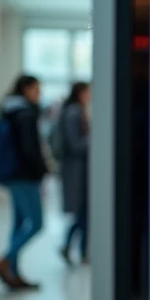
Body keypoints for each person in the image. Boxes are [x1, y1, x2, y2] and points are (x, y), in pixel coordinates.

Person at [0, 75, 48, 291]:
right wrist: (42, 170)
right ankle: (5, 261)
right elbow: (30, 149)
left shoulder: (10, 111)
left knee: (19, 224)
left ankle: (13, 274)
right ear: (26, 89)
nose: (38, 94)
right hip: (25, 176)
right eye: (36, 89)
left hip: (12, 175)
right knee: (37, 223)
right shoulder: (26, 114)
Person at [58, 82, 91, 265]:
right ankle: (78, 249)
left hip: (80, 170)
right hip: (77, 171)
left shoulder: (76, 111)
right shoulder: (74, 113)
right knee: (82, 213)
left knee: (83, 213)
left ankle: (75, 248)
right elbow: (75, 144)